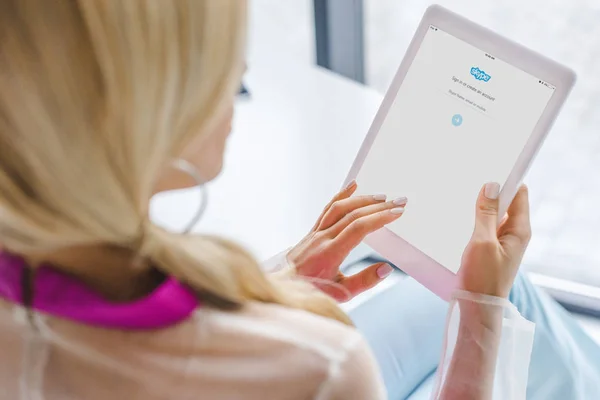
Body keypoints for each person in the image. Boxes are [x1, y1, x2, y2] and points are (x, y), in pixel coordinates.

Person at [0, 1, 593, 399]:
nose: (246, 70)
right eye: (222, 69)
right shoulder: (317, 368)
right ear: (141, 114)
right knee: (506, 292)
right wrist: (481, 309)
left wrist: (278, 284)